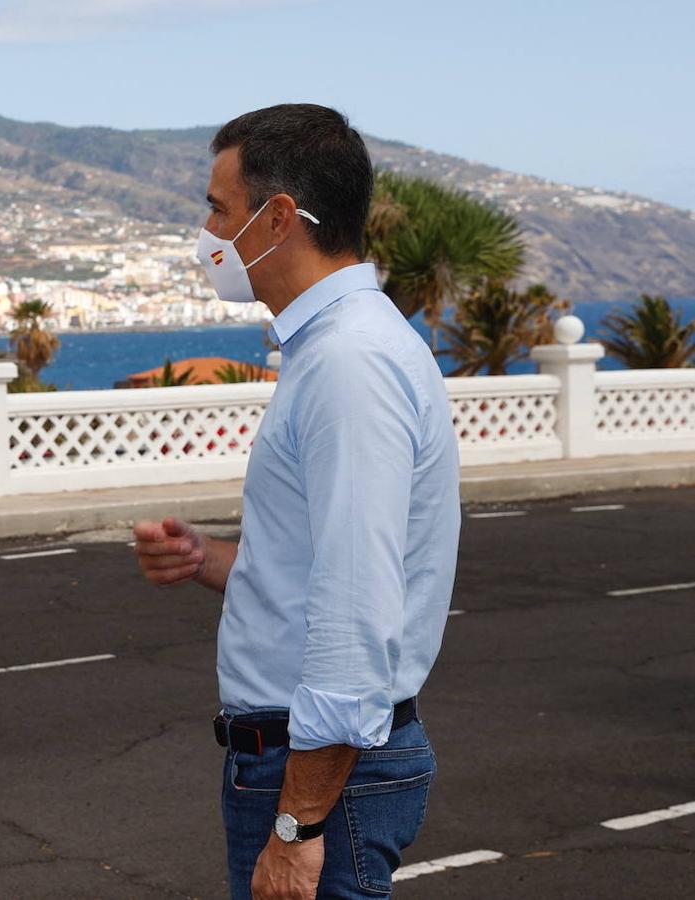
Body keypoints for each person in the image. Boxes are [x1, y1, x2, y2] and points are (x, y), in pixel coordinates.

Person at [133, 104, 462, 899]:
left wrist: (297, 827)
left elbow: (355, 609)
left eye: (218, 207)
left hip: (316, 774)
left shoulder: (349, 361)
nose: (207, 231)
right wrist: (212, 560)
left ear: (279, 218)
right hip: (304, 763)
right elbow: (323, 562)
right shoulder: (336, 346)